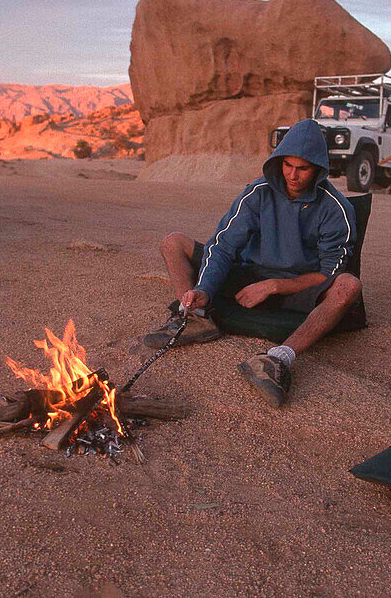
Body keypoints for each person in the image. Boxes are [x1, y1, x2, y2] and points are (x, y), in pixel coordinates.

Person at [142, 118, 365, 408]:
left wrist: (273, 286)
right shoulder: (257, 193)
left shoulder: (336, 208)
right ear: (279, 161)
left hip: (299, 286)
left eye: (303, 169)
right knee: (173, 242)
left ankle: (279, 359)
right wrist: (205, 288)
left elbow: (329, 272)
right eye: (287, 165)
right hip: (249, 274)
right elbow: (222, 246)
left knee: (349, 286)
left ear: (319, 170)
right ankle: (194, 317)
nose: (293, 175)